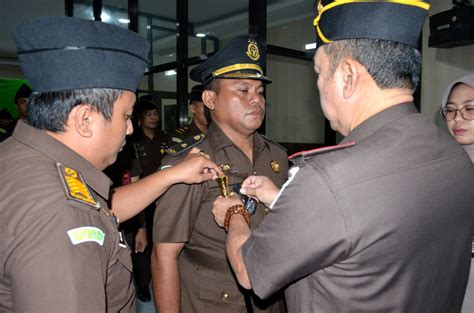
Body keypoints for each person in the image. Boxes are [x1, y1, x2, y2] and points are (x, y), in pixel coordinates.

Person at [212, 1, 474, 312]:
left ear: (348, 75)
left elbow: (248, 270)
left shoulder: (329, 178)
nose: (318, 85)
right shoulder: (454, 159)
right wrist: (284, 198)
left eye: (320, 72)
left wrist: (234, 215)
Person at [0, 16, 220, 313]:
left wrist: (172, 174)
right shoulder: (63, 215)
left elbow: (101, 211)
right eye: (126, 116)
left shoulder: (24, 155)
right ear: (85, 119)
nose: (130, 129)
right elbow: (77, 214)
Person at [151, 35, 289, 313]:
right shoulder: (189, 162)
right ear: (210, 99)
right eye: (243, 90)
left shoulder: (278, 156)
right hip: (213, 301)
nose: (256, 100)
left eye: (260, 92)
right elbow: (164, 255)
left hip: (272, 298)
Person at [130, 95, 170, 302]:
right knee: (142, 243)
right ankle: (144, 284)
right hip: (142, 198)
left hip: (164, 198)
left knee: (162, 240)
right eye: (149, 115)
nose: (154, 118)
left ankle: (160, 277)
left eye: (155, 114)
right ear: (140, 117)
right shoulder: (133, 140)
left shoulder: (166, 138)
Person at [439, 74, 474, 313]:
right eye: (450, 111)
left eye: (469, 109)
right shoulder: (443, 164)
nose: (457, 119)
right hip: (449, 274)